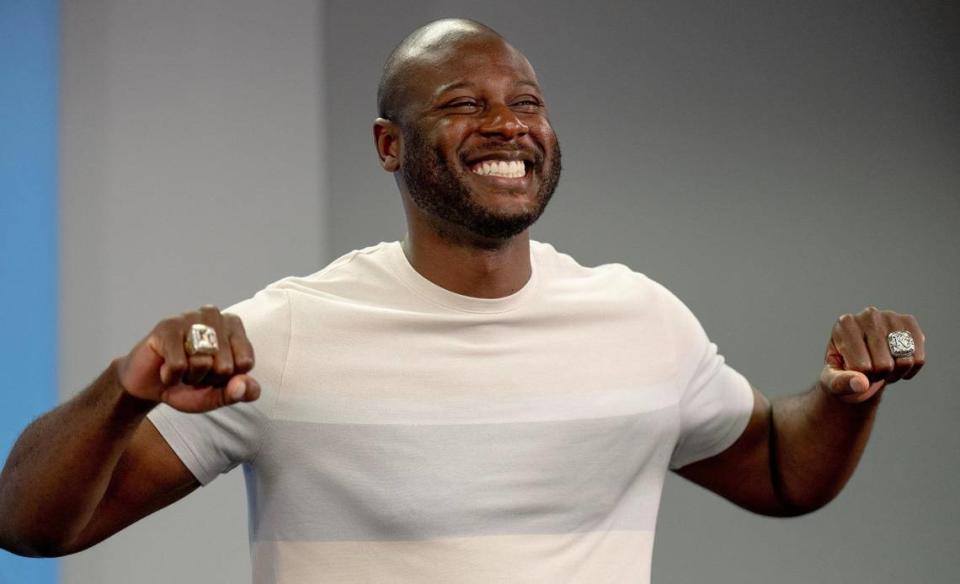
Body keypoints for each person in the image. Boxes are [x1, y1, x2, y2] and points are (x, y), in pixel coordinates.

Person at [0, 18, 925, 583]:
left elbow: (776, 472)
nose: (506, 124)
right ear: (388, 145)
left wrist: (844, 397)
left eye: (525, 100)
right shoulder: (287, 333)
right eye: (460, 103)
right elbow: (32, 526)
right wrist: (125, 389)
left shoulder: (640, 319)